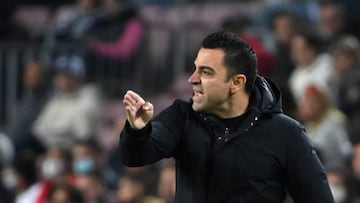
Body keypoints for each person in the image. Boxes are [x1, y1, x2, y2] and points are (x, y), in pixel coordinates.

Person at [119, 31, 335, 202]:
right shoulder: (182, 116)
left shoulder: (286, 133)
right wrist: (137, 131)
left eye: (206, 72)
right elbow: (137, 157)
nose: (192, 79)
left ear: (237, 82)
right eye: (195, 69)